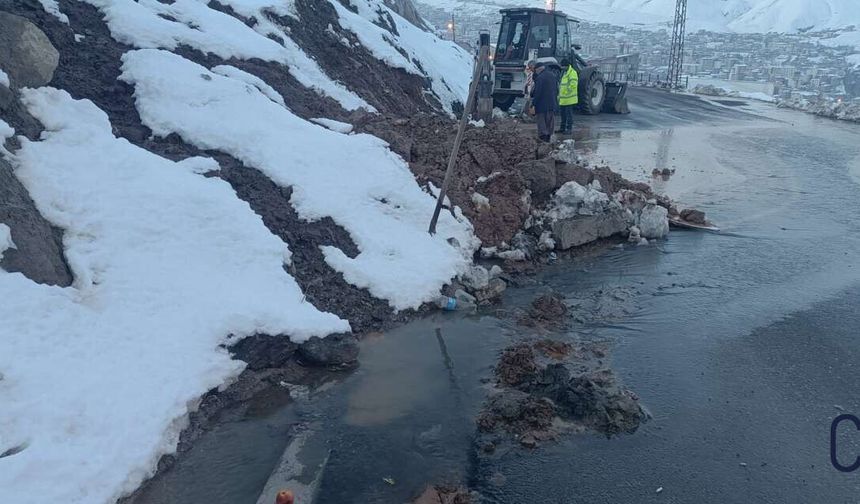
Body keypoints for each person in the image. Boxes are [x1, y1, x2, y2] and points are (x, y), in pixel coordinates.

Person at [530, 61, 559, 142]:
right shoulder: (553, 75)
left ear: (538, 69)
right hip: (552, 104)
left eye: (535, 70)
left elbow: (537, 92)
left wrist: (533, 104)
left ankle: (543, 141)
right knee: (550, 123)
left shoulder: (540, 78)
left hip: (542, 105)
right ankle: (549, 140)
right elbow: (557, 90)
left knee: (542, 124)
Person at [558, 58, 579, 134]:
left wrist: (565, 92)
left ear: (566, 66)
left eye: (563, 66)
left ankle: (569, 129)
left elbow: (573, 85)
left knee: (569, 115)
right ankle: (562, 128)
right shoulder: (564, 72)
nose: (562, 68)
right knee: (563, 115)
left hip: (569, 99)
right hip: (563, 99)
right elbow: (562, 85)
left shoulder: (572, 73)